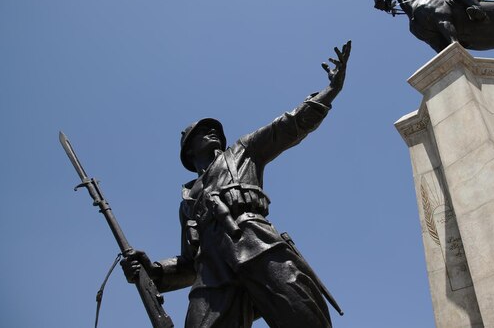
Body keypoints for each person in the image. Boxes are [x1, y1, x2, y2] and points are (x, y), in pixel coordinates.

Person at [122, 41, 351, 328]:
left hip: (256, 243)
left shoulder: (243, 151)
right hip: (212, 273)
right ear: (188, 150)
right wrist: (153, 271)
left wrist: (329, 92)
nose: (212, 131)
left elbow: (287, 126)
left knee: (304, 319)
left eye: (215, 129)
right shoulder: (187, 201)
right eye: (202, 131)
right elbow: (189, 262)